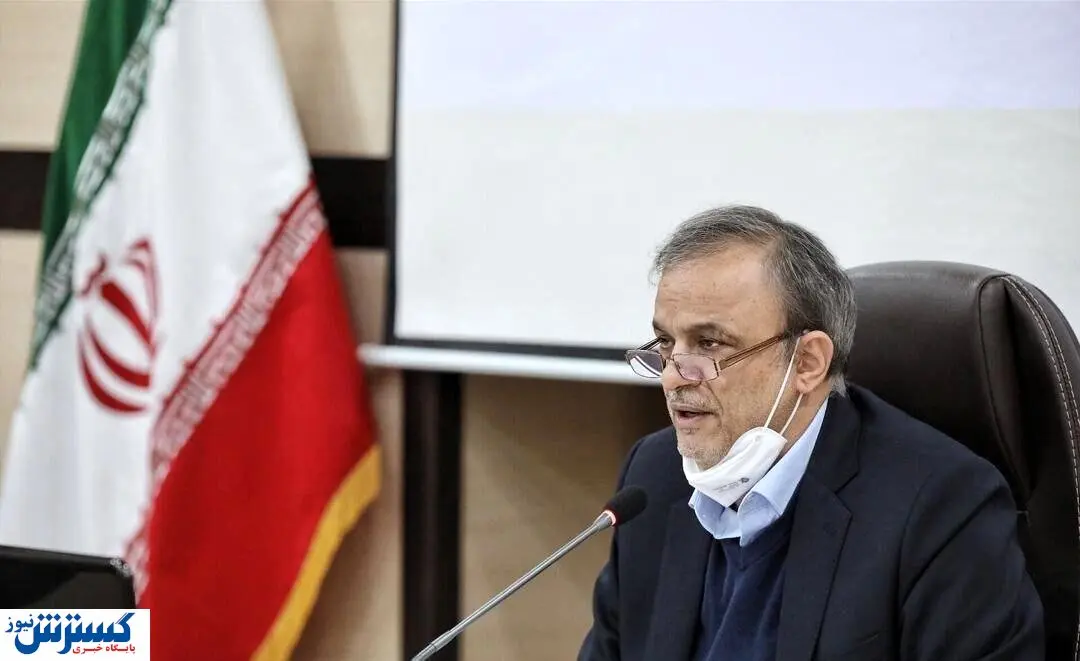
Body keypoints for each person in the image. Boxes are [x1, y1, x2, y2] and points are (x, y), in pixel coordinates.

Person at [577, 205, 1044, 661]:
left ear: (807, 363)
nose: (672, 376)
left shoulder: (941, 507)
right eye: (665, 343)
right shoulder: (654, 478)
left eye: (709, 344)